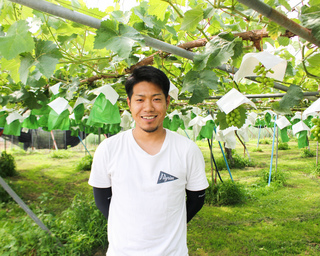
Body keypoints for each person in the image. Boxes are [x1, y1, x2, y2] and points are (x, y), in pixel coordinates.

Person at [88, 65, 209, 256]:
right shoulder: (109, 149)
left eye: (156, 99)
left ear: (167, 102)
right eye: (140, 100)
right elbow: (102, 199)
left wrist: (168, 227)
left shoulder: (187, 150)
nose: (148, 108)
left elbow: (196, 200)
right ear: (129, 103)